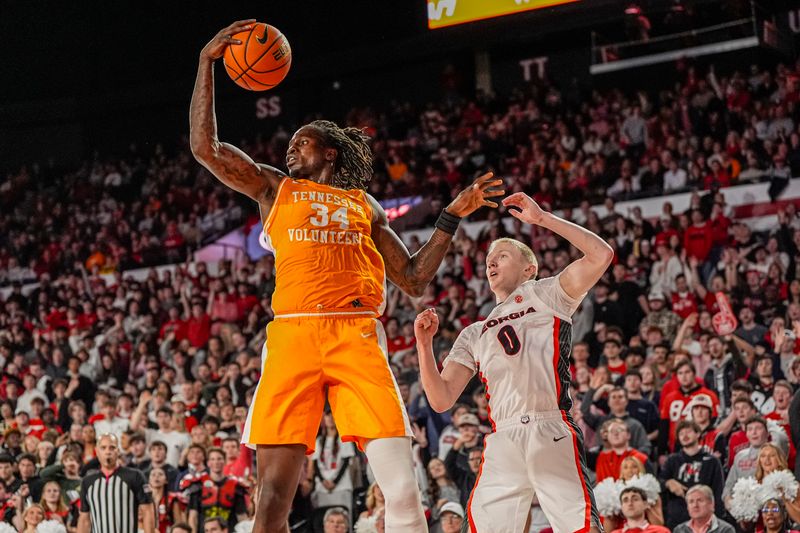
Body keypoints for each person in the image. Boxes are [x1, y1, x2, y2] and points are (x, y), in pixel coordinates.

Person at [191, 20, 503, 533]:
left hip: (356, 335)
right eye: (289, 145)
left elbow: (413, 277)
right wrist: (206, 64)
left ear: (329, 153)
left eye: (301, 143)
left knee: (403, 492)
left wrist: (451, 213)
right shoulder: (274, 188)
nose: (290, 151)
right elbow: (207, 148)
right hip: (293, 333)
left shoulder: (367, 205)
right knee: (271, 504)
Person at [416, 191, 614, 532]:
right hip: (503, 437)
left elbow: (601, 254)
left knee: (580, 527)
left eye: (502, 255)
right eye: (489, 259)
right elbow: (440, 399)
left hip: (548, 424)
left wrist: (542, 219)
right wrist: (423, 345)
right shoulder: (474, 332)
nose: (491, 262)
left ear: (529, 268)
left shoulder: (546, 293)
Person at [77, 433, 155, 533]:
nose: (108, 452)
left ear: (118, 451)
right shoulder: (87, 482)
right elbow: (84, 519)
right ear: (96, 451)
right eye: (103, 448)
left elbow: (147, 511)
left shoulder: (135, 476)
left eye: (112, 448)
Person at [659, 420, 725, 530]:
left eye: (688, 432)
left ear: (698, 433)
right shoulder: (672, 460)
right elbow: (658, 482)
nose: (684, 435)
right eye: (681, 433)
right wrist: (668, 483)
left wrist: (718, 519)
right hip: (676, 519)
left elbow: (718, 491)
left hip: (704, 520)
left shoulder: (712, 461)